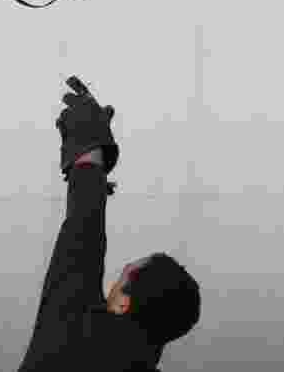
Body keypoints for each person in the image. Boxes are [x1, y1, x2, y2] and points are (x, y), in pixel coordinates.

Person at [17, 76, 201, 372]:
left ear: (122, 305)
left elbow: (83, 234)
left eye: (122, 277)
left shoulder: (73, 330)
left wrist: (90, 150)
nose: (111, 285)